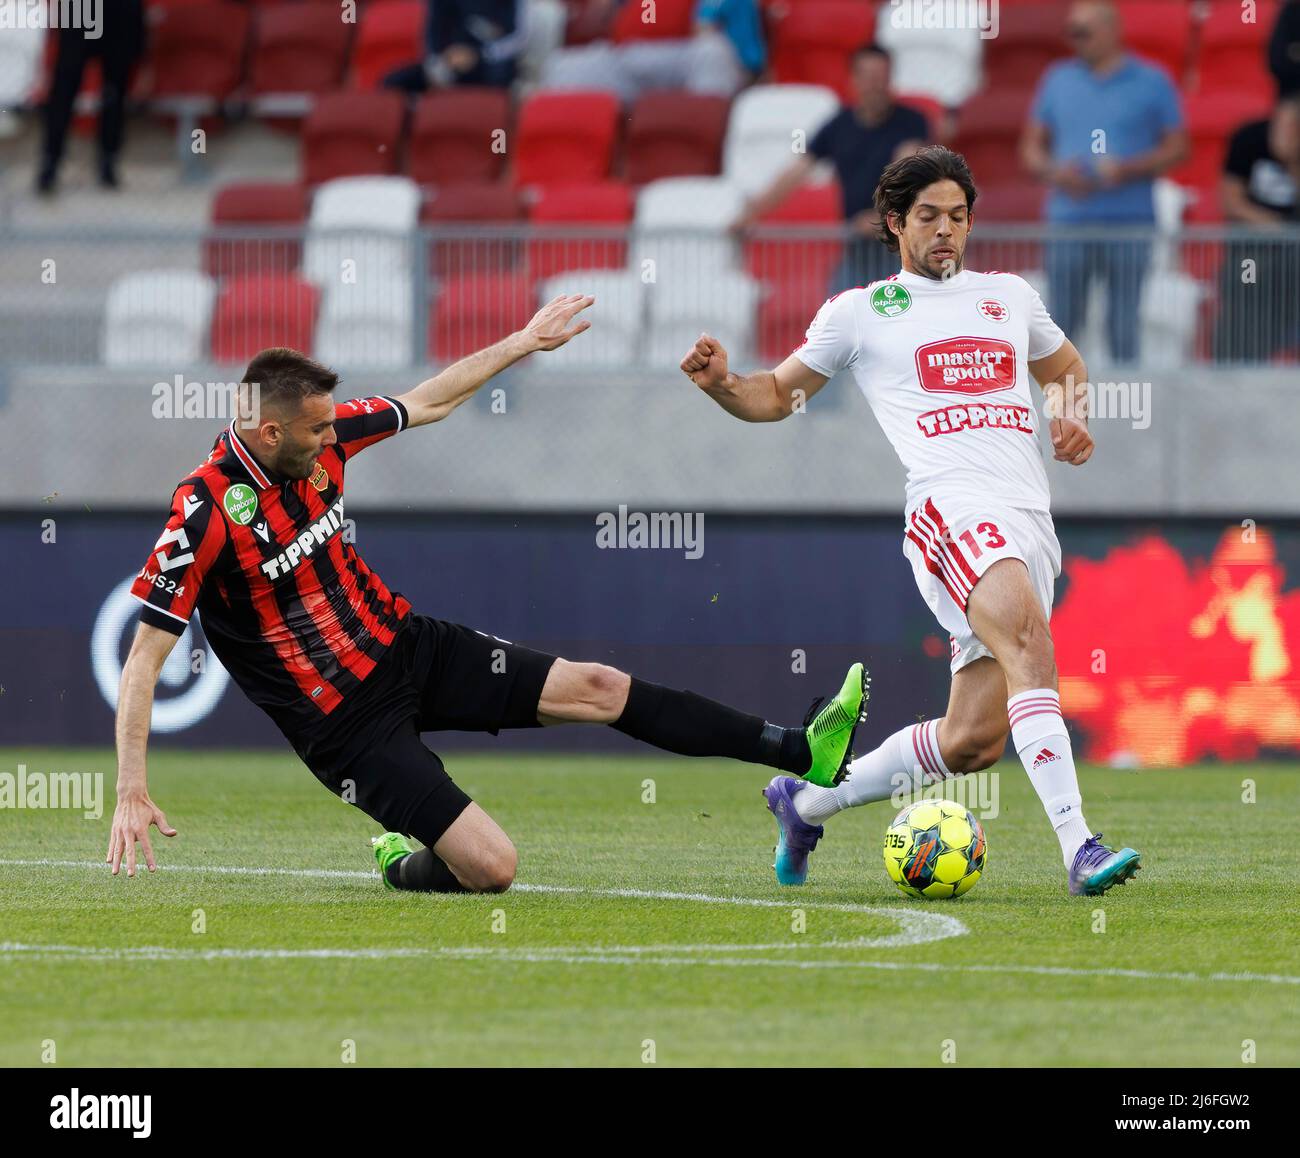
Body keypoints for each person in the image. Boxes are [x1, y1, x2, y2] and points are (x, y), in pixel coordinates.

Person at [108, 295, 868, 892]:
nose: (328, 440)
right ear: (268, 434)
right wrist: (131, 788)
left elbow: (428, 400)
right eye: (313, 434)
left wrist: (523, 342)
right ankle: (400, 861)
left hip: (408, 647)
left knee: (599, 687)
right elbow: (144, 661)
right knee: (492, 868)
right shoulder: (205, 512)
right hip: (343, 727)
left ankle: (801, 748)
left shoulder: (325, 431)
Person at [681, 145, 1142, 898]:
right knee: (1030, 642)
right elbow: (772, 395)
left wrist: (1069, 416)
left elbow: (1066, 369)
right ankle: (1080, 848)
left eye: (958, 217)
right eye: (929, 216)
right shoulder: (860, 312)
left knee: (972, 743)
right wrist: (721, 384)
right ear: (895, 222)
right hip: (949, 509)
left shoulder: (1009, 297)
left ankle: (803, 804)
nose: (946, 232)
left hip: (1027, 518)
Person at [1020, 0, 1187, 362]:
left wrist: (1129, 168)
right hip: (1069, 220)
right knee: (1062, 324)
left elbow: (1178, 147)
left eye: (1084, 31)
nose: (1076, 39)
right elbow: (1031, 149)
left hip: (1129, 222)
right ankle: (1060, 411)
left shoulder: (1153, 80)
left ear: (1112, 31)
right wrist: (1056, 172)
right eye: (1072, 31)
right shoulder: (1057, 78)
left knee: (1124, 325)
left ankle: (1126, 409)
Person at [733, 44, 928, 295]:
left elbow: (911, 170)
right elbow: (796, 172)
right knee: (838, 315)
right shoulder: (839, 126)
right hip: (856, 249)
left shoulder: (911, 122)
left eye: (881, 78)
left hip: (901, 250)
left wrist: (883, 217)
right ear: (853, 80)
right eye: (868, 78)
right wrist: (750, 214)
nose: (875, 86)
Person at [1213, 92, 1300, 362]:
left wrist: (1291, 159)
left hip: (1294, 258)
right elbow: (1231, 202)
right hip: (1252, 253)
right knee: (1246, 283)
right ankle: (1234, 367)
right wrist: (1279, 229)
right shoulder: (1249, 138)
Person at [37, 0, 146, 194]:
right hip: (83, 6)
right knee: (65, 86)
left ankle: (108, 162)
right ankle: (50, 162)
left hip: (119, 11)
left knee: (114, 91)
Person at [384, 0, 527, 94]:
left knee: (501, 74)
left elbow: (519, 39)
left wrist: (479, 54)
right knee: (395, 82)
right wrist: (443, 58)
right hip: (449, 61)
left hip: (489, 61)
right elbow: (432, 34)